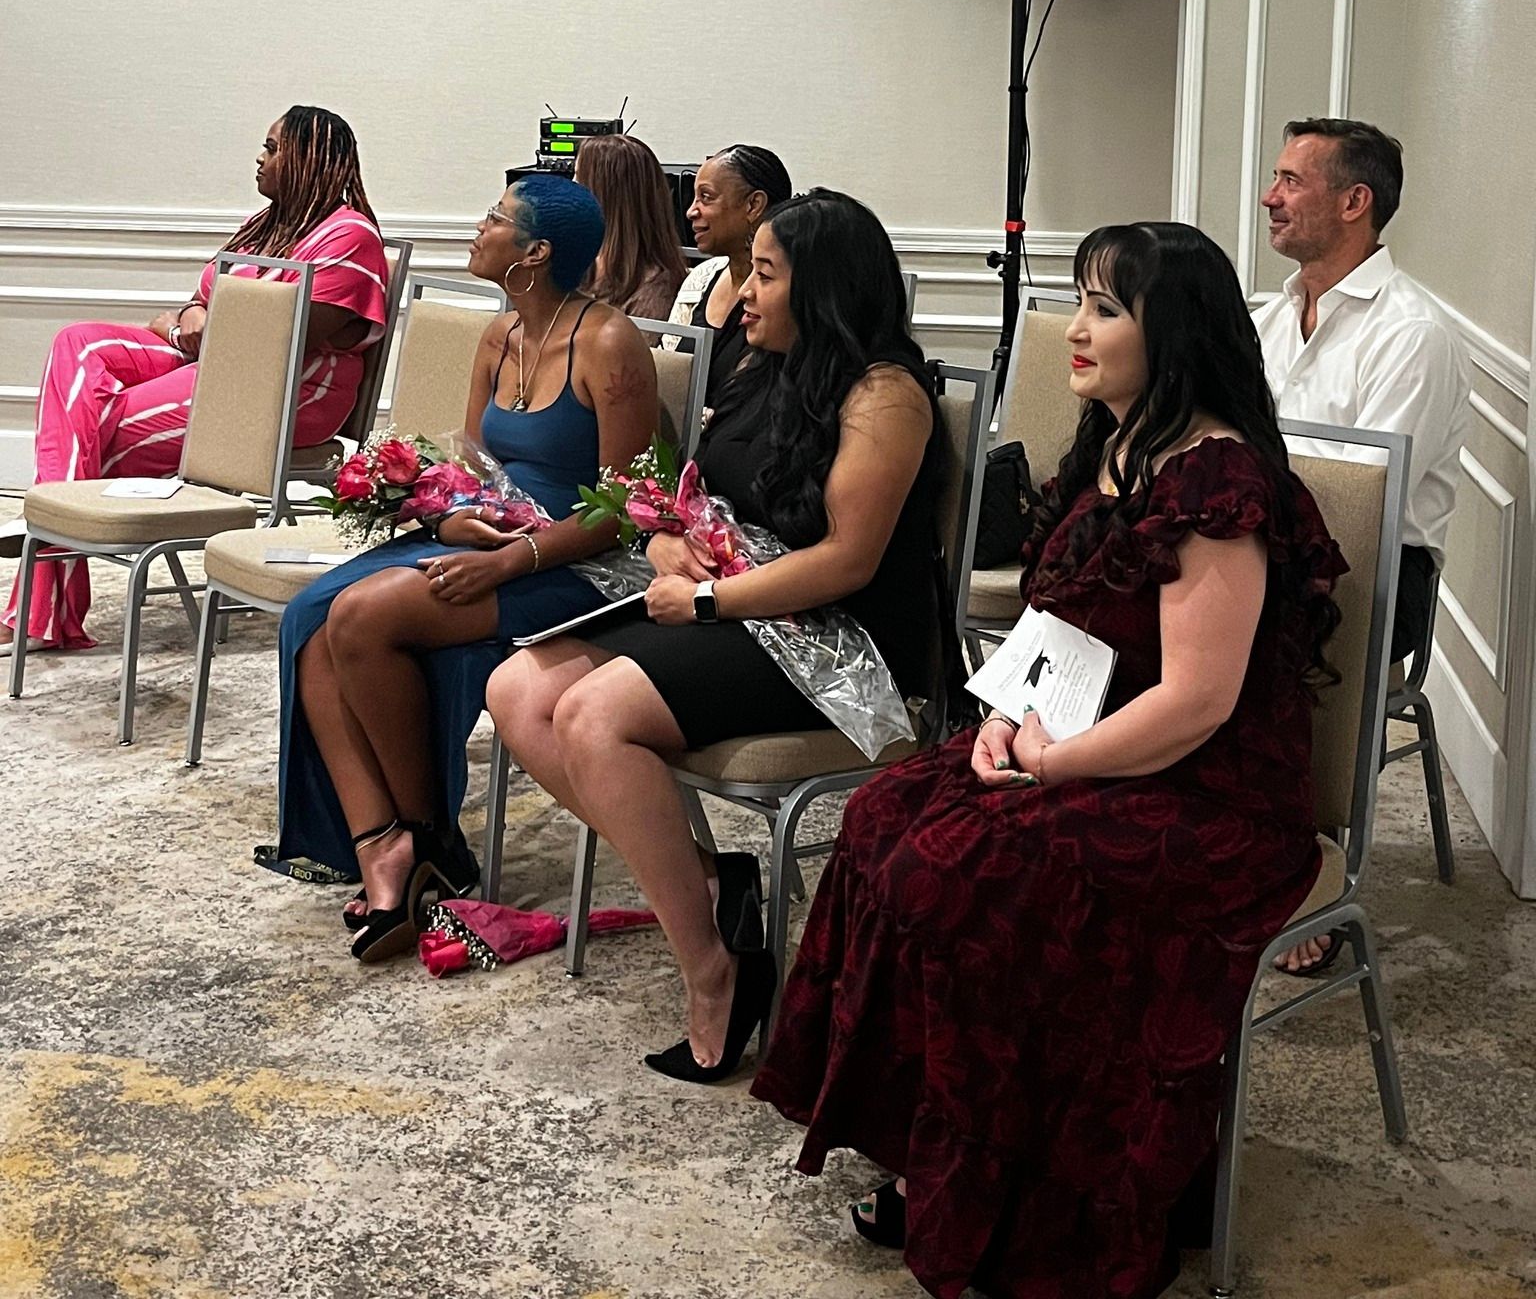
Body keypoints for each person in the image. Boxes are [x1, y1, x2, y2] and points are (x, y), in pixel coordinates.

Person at [752, 221, 1347, 1299]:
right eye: (1080, 300)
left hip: (1208, 793)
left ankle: (1029, 1199)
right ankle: (939, 1155)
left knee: (965, 880)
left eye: (1106, 309)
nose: (1075, 329)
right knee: (886, 817)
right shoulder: (1116, 447)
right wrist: (1001, 719)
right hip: (1089, 739)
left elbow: (1199, 701)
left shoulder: (1218, 479)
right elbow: (1057, 632)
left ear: (1176, 333)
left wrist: (1057, 762)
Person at [489, 188, 944, 1082]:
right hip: (743, 608)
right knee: (517, 692)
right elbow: (695, 495)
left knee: (590, 718)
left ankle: (714, 968)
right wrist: (664, 540)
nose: (747, 295)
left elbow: (848, 562)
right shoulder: (766, 366)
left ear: (824, 289)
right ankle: (709, 883)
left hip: (832, 640)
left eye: (767, 276)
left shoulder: (886, 395)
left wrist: (705, 604)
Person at [270, 172, 657, 962]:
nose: (477, 228)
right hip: (493, 536)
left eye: (494, 219)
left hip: (574, 563)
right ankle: (383, 843)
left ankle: (430, 841)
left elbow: (624, 506)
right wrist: (446, 515)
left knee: (363, 616)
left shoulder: (611, 342)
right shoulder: (500, 335)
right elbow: (474, 462)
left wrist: (512, 560)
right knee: (309, 620)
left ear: (536, 252)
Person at [2, 106, 388, 652]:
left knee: (89, 436)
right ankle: (53, 522)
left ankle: (44, 556)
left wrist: (196, 326)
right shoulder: (268, 226)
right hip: (213, 366)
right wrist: (190, 325)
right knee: (77, 342)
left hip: (282, 394)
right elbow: (197, 309)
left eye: (274, 148)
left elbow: (276, 336)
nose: (261, 157)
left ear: (309, 159)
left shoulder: (348, 236)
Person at [1254, 115, 1469, 975]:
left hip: (1381, 572)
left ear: (1355, 201)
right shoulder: (1270, 317)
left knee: (1256, 641)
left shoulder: (1411, 335)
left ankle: (1309, 864)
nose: (1270, 197)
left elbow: (1356, 507)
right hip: (1270, 544)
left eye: (1290, 182)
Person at [666, 144, 792, 403]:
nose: (691, 211)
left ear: (753, 205)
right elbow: (665, 370)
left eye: (706, 197)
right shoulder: (701, 277)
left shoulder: (785, 297)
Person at [572, 134, 689, 324]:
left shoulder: (655, 288)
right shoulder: (573, 262)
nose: (570, 188)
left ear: (605, 194)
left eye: (578, 179)